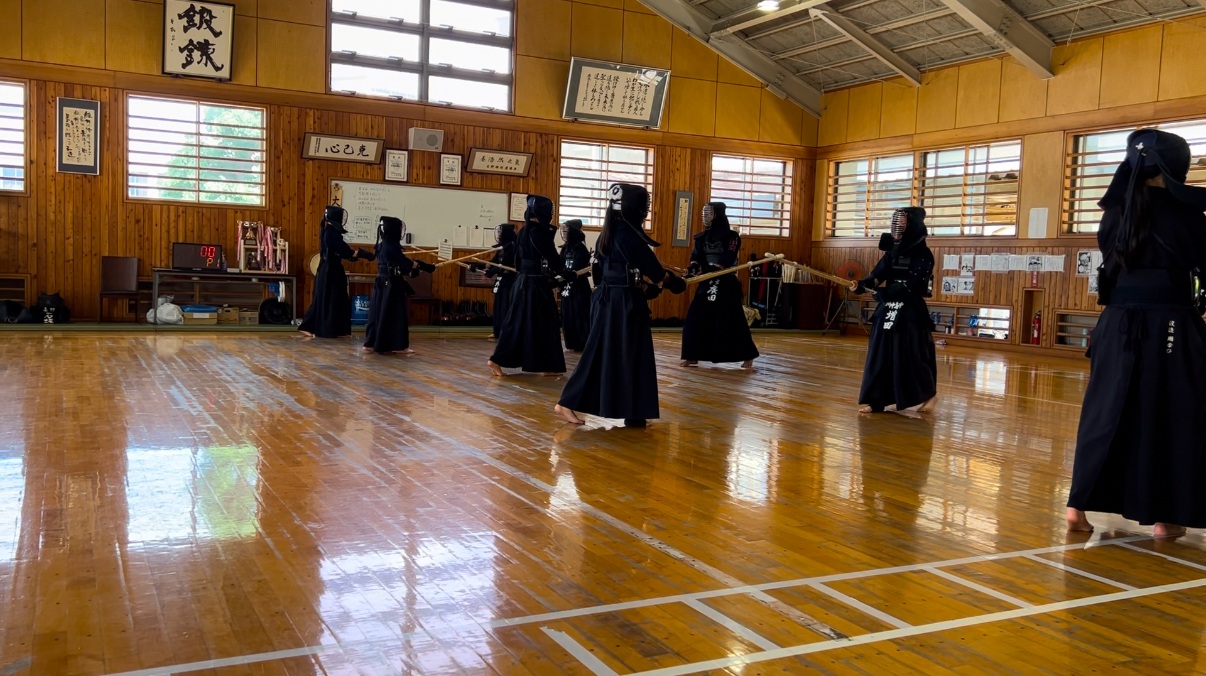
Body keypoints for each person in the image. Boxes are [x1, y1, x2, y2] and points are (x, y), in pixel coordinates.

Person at [1066, 128, 1206, 537]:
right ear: (1175, 165)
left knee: (1105, 412)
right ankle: (1167, 517)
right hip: (1171, 324)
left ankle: (1078, 509)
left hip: (1115, 326)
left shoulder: (1114, 212)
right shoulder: (1187, 214)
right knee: (1176, 413)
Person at [555, 183, 687, 427]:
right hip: (621, 303)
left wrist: (643, 287)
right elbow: (656, 272)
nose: (646, 210)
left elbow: (608, 271)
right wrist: (675, 283)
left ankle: (634, 413)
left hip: (612, 298)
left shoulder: (610, 232)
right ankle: (567, 402)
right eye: (644, 205)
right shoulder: (627, 234)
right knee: (612, 354)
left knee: (628, 355)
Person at [855, 207, 937, 414]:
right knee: (880, 354)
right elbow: (876, 276)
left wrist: (886, 292)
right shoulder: (891, 253)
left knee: (912, 355)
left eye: (901, 224)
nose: (897, 228)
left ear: (912, 227)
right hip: (888, 310)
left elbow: (913, 283)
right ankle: (877, 400)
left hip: (910, 312)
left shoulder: (924, 255)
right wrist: (861, 285)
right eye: (895, 223)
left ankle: (929, 395)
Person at [488, 196, 571, 376]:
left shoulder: (525, 230)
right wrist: (565, 273)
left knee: (528, 323)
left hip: (524, 282)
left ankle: (547, 365)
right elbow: (552, 257)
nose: (551, 215)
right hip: (533, 285)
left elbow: (520, 261)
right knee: (541, 323)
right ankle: (498, 359)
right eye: (550, 211)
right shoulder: (538, 232)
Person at [680, 202, 759, 368]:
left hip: (726, 282)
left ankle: (748, 355)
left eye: (709, 214)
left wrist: (714, 268)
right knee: (695, 318)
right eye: (705, 214)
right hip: (706, 282)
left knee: (732, 320)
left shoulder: (732, 237)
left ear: (718, 215)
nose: (706, 218)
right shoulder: (701, 237)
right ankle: (692, 355)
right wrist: (694, 267)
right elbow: (696, 255)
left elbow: (729, 256)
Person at [360, 217, 436, 354]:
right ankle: (397, 345)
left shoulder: (382, 244)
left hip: (382, 282)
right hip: (392, 284)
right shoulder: (391, 246)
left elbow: (397, 263)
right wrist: (422, 266)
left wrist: (415, 267)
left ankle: (371, 343)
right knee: (395, 314)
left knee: (378, 313)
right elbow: (405, 263)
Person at [299, 205, 367, 339]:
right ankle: (308, 327)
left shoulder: (332, 231)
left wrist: (354, 255)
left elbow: (343, 252)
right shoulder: (330, 232)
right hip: (329, 270)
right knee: (325, 299)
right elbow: (345, 251)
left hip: (334, 269)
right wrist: (361, 254)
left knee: (338, 298)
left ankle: (338, 330)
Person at [474, 223, 517, 341]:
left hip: (510, 280)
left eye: (500, 232)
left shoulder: (512, 247)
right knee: (498, 306)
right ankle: (497, 331)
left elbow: (504, 265)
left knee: (505, 307)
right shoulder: (501, 248)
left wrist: (491, 271)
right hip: (501, 280)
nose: (498, 235)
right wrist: (478, 266)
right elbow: (493, 262)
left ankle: (505, 332)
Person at [559, 218, 593, 352]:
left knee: (579, 315)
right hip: (567, 287)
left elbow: (580, 268)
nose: (565, 233)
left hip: (579, 288)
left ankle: (582, 342)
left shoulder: (581, 248)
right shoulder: (565, 249)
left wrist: (571, 273)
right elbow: (560, 264)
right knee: (567, 315)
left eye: (567, 230)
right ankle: (571, 342)